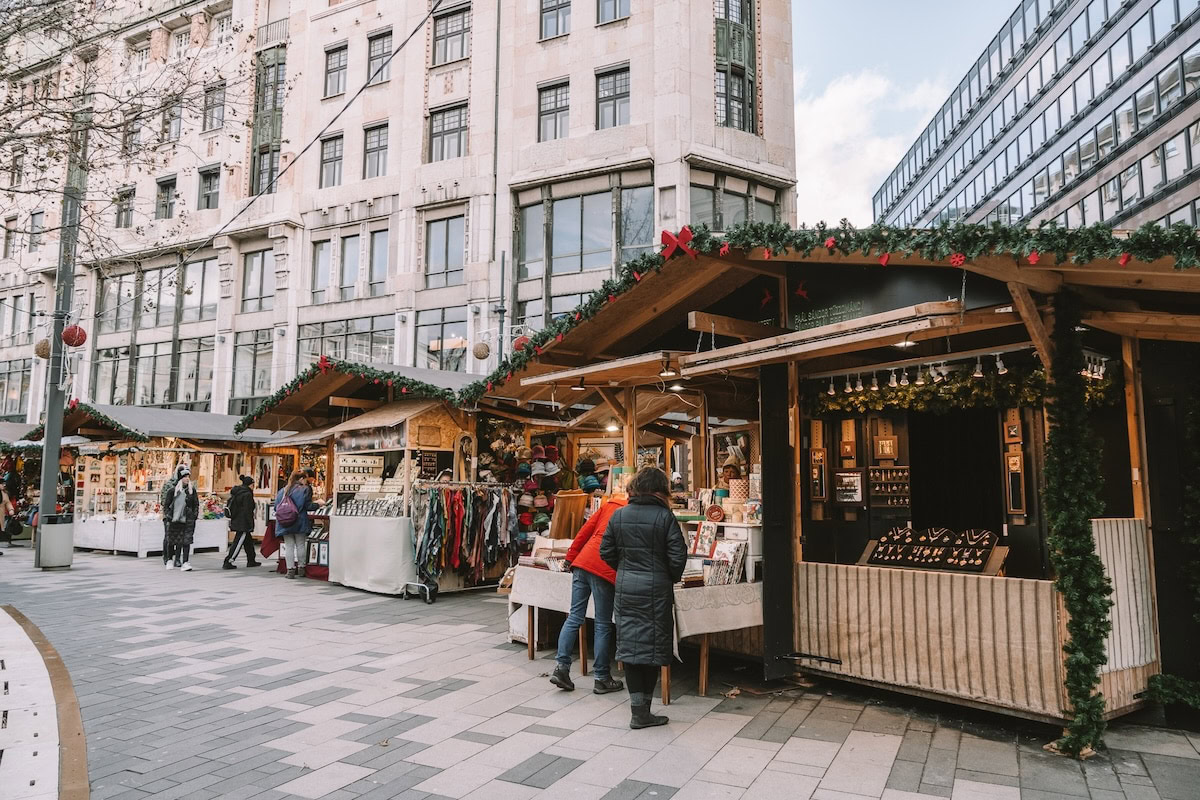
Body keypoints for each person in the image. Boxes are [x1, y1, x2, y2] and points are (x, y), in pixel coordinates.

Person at [600, 467, 688, 729]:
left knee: (630, 648)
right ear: (662, 489)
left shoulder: (619, 515)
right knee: (651, 650)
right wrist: (666, 575)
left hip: (626, 589)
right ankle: (643, 713)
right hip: (656, 591)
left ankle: (638, 710)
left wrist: (626, 569)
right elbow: (677, 556)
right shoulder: (665, 517)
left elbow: (606, 551)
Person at [549, 495, 628, 695]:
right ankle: (601, 677)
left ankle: (562, 668)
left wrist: (570, 557)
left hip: (583, 562)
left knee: (574, 616)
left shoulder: (611, 504)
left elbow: (585, 532)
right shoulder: (636, 512)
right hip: (604, 568)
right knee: (602, 624)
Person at [275, 471, 316, 579]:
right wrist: (318, 504)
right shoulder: (304, 490)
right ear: (302, 479)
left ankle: (290, 570)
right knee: (300, 545)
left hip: (284, 522)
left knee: (289, 546)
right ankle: (301, 568)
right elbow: (308, 506)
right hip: (299, 521)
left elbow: (276, 507)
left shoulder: (282, 491)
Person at [164, 467, 199, 571]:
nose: (187, 479)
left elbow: (196, 504)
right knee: (172, 540)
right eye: (185, 477)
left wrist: (194, 515)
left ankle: (185, 562)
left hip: (188, 520)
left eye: (188, 477)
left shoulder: (191, 491)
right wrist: (168, 516)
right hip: (175, 519)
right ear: (180, 479)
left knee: (186, 541)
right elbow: (166, 505)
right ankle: (170, 559)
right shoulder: (172, 491)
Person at [223, 475, 260, 570]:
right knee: (238, 542)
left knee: (248, 541)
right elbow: (248, 510)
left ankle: (251, 560)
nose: (253, 487)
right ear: (250, 485)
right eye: (253, 485)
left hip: (237, 519)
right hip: (243, 522)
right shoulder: (247, 494)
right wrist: (250, 524)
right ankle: (229, 560)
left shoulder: (237, 492)